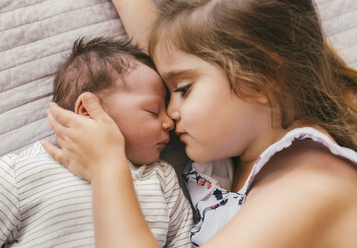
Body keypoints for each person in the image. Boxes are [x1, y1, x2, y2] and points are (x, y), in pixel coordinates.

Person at [43, 0, 357, 247]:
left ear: (259, 79)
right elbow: (161, 56)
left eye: (182, 91)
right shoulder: (241, 148)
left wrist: (106, 167)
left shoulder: (311, 185)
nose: (169, 113)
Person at [0, 37, 194, 247]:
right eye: (153, 111)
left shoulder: (162, 178)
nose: (169, 122)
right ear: (89, 112)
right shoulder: (24, 170)